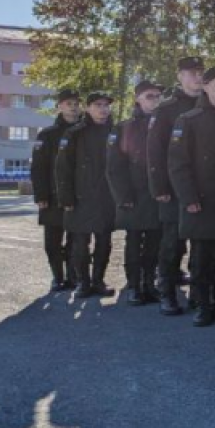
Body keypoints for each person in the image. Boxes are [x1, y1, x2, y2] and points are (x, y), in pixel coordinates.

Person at [169, 67, 215, 328]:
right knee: (201, 258)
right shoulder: (189, 119)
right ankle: (202, 304)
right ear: (206, 87)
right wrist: (188, 197)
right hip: (201, 200)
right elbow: (178, 163)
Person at [147, 57, 205, 316]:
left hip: (205, 186)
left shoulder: (209, 103)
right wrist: (159, 186)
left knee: (203, 243)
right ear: (179, 76)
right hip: (173, 187)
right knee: (173, 244)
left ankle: (199, 294)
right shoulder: (166, 109)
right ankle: (167, 293)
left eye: (200, 72)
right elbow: (155, 151)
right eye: (191, 73)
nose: (197, 77)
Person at [106, 80, 165, 305]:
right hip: (135, 195)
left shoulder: (165, 124)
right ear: (137, 99)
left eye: (158, 96)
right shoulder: (123, 128)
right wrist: (124, 196)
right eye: (150, 96)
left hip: (159, 194)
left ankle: (150, 283)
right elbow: (114, 166)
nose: (155, 100)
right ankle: (134, 286)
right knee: (133, 242)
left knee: (155, 243)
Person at [55, 92, 118, 298]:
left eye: (106, 105)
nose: (103, 109)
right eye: (98, 105)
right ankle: (82, 282)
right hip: (80, 199)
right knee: (80, 245)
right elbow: (63, 169)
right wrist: (66, 198)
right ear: (88, 108)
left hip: (107, 198)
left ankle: (98, 281)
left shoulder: (116, 132)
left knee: (104, 243)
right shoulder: (74, 133)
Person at [31, 88, 82, 292]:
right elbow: (38, 167)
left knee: (75, 241)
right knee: (52, 242)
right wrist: (41, 195)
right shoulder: (47, 135)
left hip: (79, 196)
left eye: (76, 103)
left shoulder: (84, 131)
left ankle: (72, 276)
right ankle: (57, 277)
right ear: (59, 106)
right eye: (68, 103)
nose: (73, 107)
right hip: (52, 197)